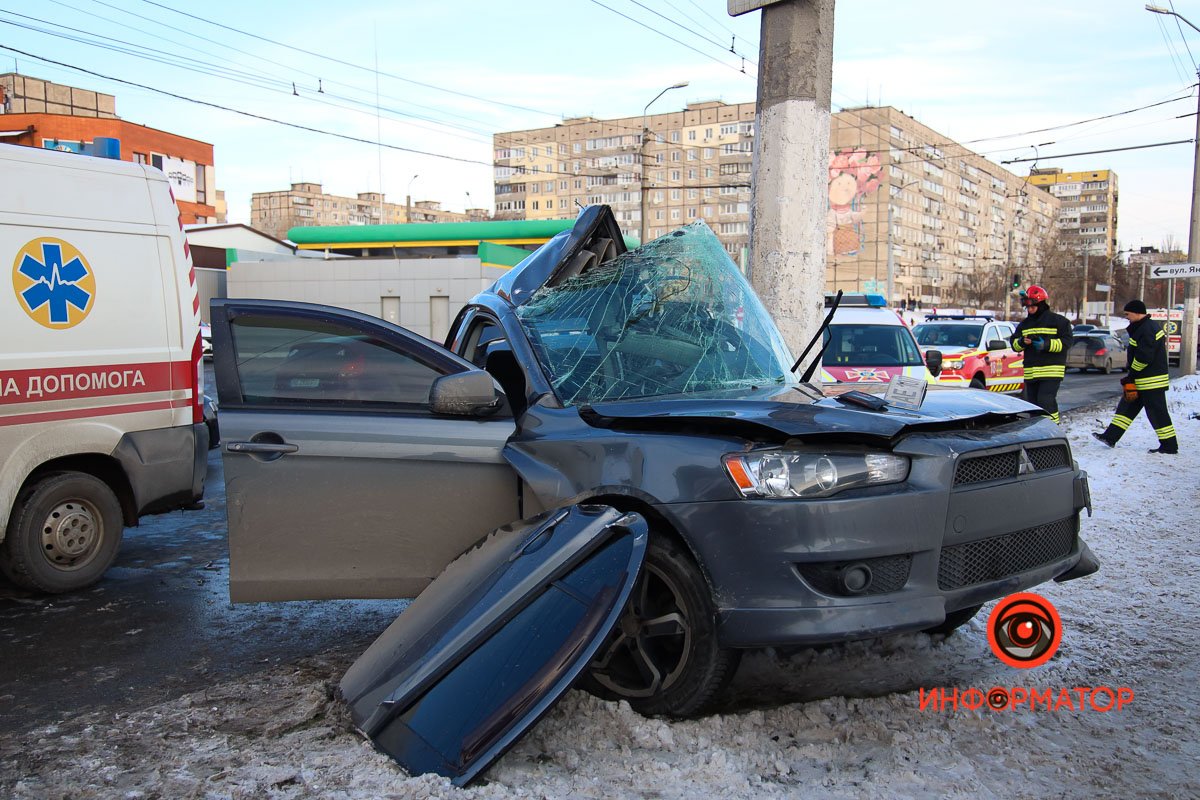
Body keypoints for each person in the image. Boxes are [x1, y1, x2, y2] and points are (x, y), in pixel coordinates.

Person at [1092, 300, 1177, 454]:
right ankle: (1110, 437)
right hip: (1142, 380)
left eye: (1128, 314)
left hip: (1151, 382)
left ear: (1137, 312)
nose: (1127, 317)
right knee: (1126, 408)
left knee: (1157, 414)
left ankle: (1169, 446)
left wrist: (1132, 375)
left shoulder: (1147, 329)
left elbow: (1144, 357)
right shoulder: (1143, 327)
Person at [1010, 284, 1071, 423]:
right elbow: (1014, 345)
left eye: (1033, 307)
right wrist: (1022, 342)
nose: (1030, 310)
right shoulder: (1024, 324)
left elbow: (1067, 342)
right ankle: (1038, 432)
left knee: (1046, 400)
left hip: (1051, 370)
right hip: (1031, 372)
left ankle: (1053, 429)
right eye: (1028, 308)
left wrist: (1046, 345)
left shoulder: (1059, 322)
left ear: (1041, 304)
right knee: (1033, 405)